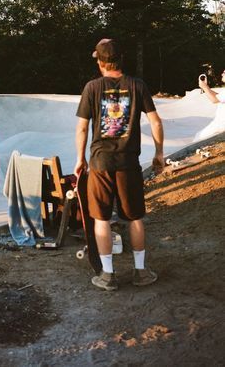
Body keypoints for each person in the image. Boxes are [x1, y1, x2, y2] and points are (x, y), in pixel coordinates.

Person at [74, 38, 165, 291]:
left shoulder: (92, 88)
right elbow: (156, 122)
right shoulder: (138, 85)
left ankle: (108, 275)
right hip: (128, 162)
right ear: (120, 59)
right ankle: (140, 272)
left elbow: (82, 127)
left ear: (101, 62)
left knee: (101, 219)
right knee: (135, 218)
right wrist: (159, 153)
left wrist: (80, 159)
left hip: (100, 162)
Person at [194, 69, 225, 141]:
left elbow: (214, 100)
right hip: (220, 124)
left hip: (220, 124)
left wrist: (204, 87)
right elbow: (218, 97)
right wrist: (205, 87)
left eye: (224, 72)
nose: (222, 74)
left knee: (198, 138)